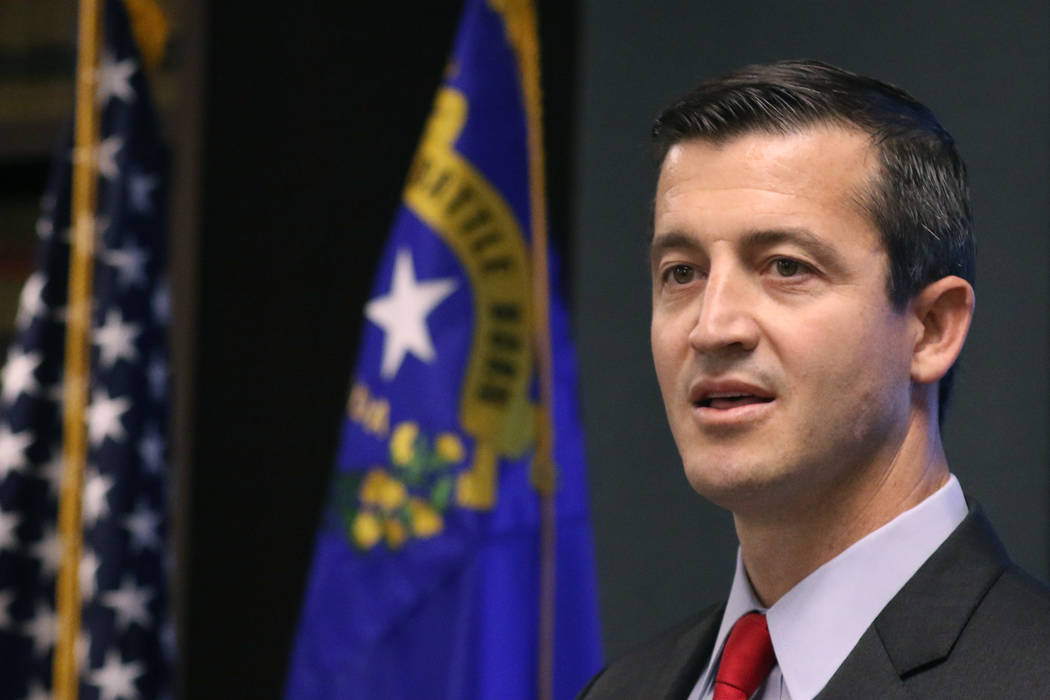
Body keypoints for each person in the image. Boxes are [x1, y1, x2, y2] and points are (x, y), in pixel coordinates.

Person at [577, 59, 1050, 699]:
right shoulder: (621, 691)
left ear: (933, 328)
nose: (711, 328)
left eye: (785, 266)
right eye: (682, 273)